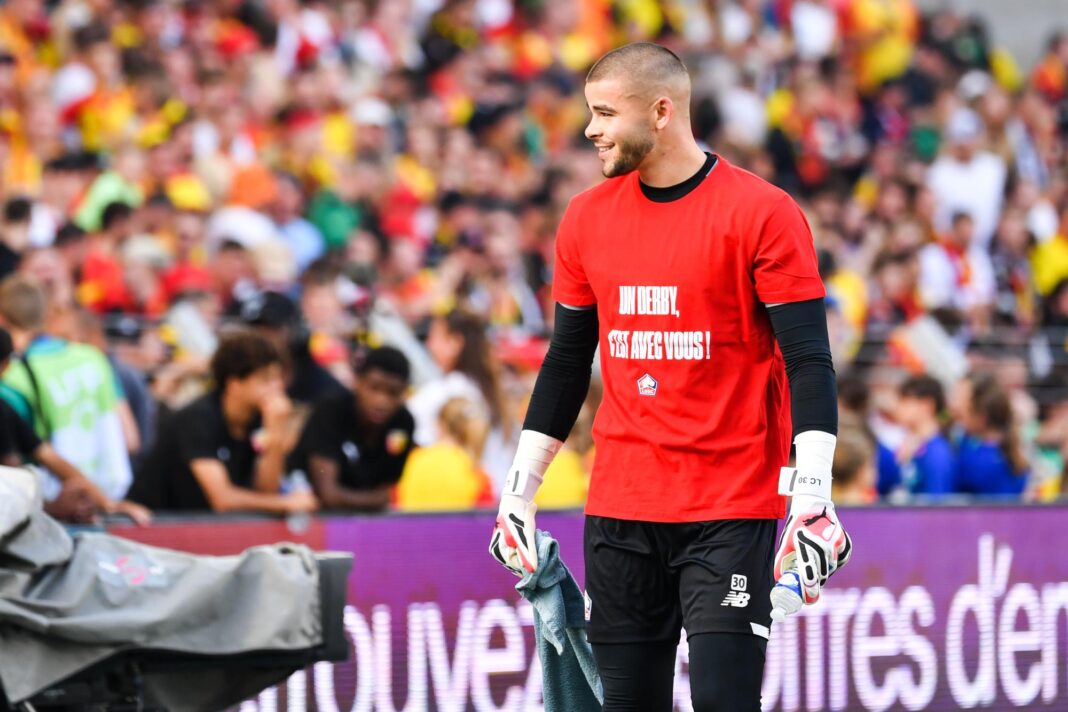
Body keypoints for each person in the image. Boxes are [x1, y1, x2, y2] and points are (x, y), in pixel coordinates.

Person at [487, 43, 851, 712]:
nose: (590, 129)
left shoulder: (763, 212)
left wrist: (812, 497)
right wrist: (518, 492)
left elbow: (809, 358)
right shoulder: (585, 217)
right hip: (620, 507)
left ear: (661, 111)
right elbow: (567, 360)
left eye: (605, 113)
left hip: (730, 506)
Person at [129, 329, 318, 514]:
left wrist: (275, 433)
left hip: (202, 524)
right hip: (154, 522)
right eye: (265, 379)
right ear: (233, 382)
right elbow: (223, 500)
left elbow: (265, 492)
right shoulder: (198, 418)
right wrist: (285, 503)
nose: (277, 387)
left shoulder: (259, 417)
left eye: (278, 378)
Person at [0, 275, 134, 504]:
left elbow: (12, 463)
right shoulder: (92, 357)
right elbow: (130, 439)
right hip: (99, 495)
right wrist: (106, 503)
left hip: (46, 502)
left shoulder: (11, 375)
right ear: (47, 313)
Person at [0, 326, 150, 524]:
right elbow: (11, 488)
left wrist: (105, 503)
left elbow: (48, 457)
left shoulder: (4, 407)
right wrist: (52, 508)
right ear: (6, 364)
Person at [292, 346, 415, 511]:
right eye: (374, 388)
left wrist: (377, 499)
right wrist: (375, 501)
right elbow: (328, 494)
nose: (381, 401)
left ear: (403, 393)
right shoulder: (331, 410)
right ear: (358, 382)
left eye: (393, 392)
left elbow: (386, 492)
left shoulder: (403, 424)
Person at [408, 309, 513, 486]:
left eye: (435, 337)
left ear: (455, 343)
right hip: (497, 491)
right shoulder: (492, 391)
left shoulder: (444, 391)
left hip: (463, 492)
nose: (429, 345)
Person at [395, 396, 494, 511]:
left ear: (440, 424)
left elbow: (396, 499)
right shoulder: (475, 469)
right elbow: (485, 516)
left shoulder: (414, 459)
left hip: (412, 523)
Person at [953, 372, 1029, 497]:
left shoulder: (984, 461)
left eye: (961, 399)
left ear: (982, 415)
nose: (955, 406)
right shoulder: (970, 444)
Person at [894, 374, 956, 496]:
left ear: (927, 405)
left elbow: (937, 501)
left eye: (905, 402)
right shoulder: (912, 446)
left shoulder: (937, 452)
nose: (897, 408)